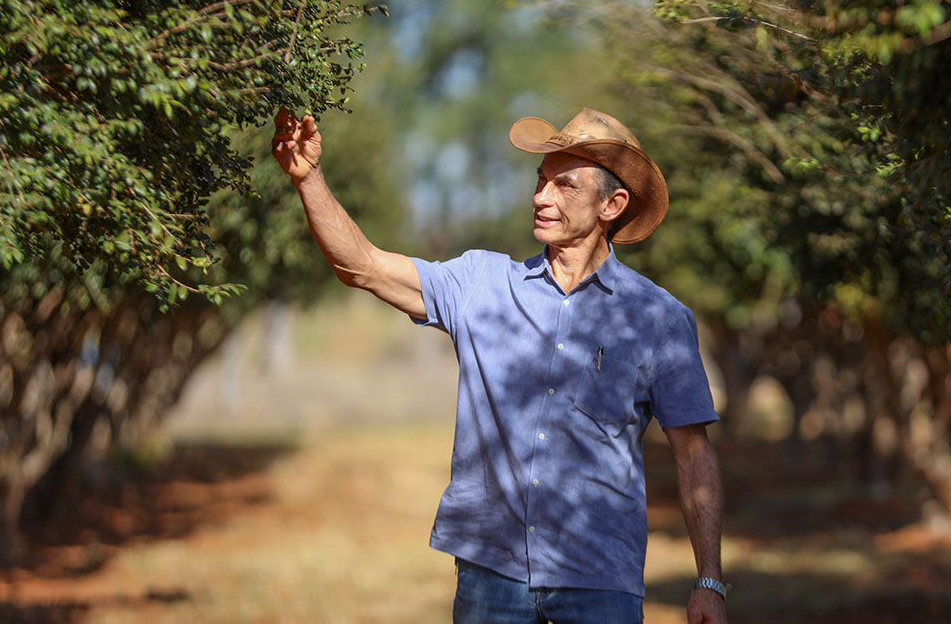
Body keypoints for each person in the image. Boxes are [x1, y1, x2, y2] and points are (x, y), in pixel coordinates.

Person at [272, 106, 727, 624]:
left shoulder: (658, 318)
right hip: (491, 576)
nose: (541, 197)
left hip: (602, 580)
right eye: (540, 181)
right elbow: (363, 266)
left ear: (612, 204)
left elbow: (694, 457)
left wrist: (708, 580)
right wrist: (308, 178)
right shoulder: (480, 283)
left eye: (565, 186)